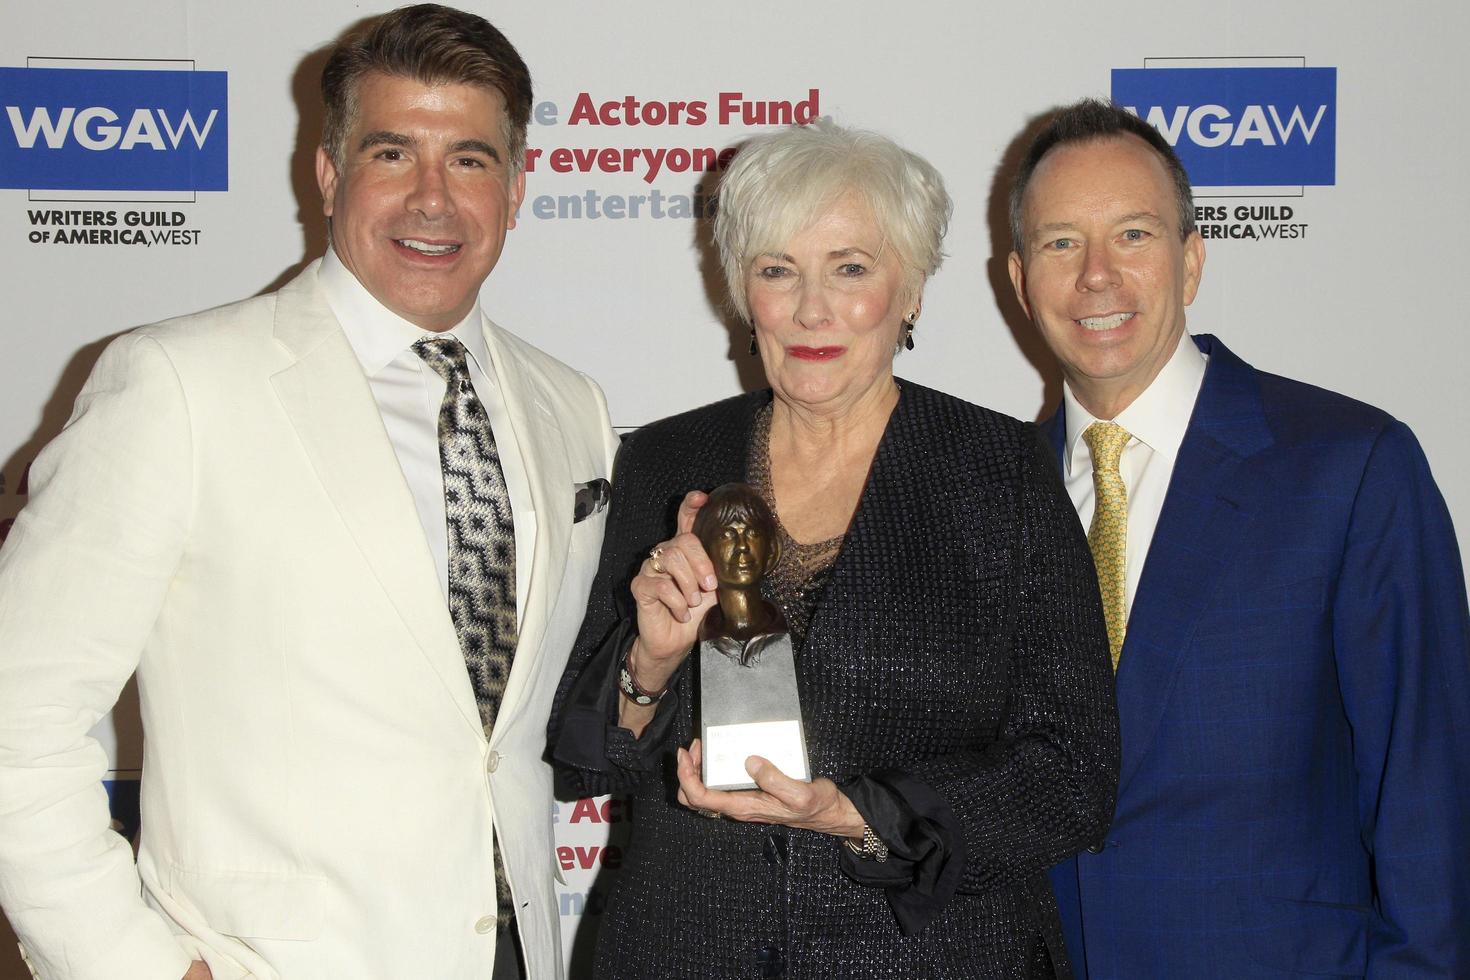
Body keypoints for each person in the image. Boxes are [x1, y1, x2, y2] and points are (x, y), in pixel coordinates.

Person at [0, 6, 618, 979]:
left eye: (468, 159)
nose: (432, 199)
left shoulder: (569, 404)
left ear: (516, 186)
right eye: (391, 154)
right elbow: (17, 715)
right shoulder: (177, 384)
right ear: (329, 173)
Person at [551, 119, 1120, 979]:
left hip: (932, 957)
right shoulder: (668, 462)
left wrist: (861, 813)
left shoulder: (1000, 473)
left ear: (912, 289)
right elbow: (594, 754)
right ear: (742, 293)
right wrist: (650, 659)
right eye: (778, 271)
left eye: (850, 269)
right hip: (686, 948)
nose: (811, 308)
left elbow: (1073, 776)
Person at [1006, 98, 1470, 978]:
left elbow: (1428, 795)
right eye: (1063, 243)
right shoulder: (992, 495)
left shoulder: (1350, 466)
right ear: (1022, 281)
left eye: (1134, 235)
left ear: (1191, 262)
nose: (1097, 276)